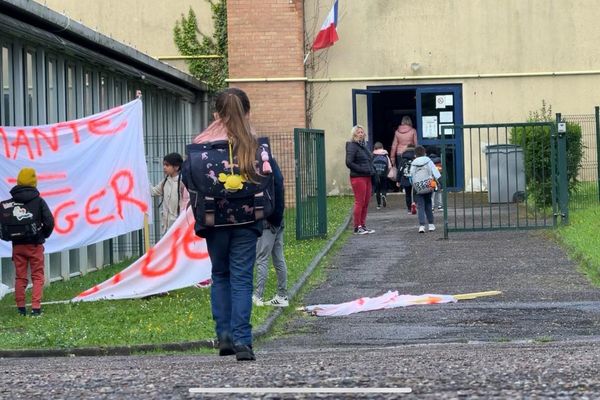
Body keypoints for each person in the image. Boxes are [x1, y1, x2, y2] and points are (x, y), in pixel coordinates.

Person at [189, 87, 265, 362]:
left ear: (215, 114)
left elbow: (189, 179)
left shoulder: (201, 145)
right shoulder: (254, 143)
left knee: (220, 275)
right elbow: (273, 180)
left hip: (213, 220)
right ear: (247, 112)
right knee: (242, 279)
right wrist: (274, 217)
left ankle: (224, 336)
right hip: (247, 219)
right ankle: (243, 340)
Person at [3, 168, 54, 316]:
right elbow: (49, 221)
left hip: (17, 245)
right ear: (34, 182)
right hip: (35, 244)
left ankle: (20, 308)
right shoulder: (38, 201)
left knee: (20, 276)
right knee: (37, 275)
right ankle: (36, 308)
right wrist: (43, 234)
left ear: (18, 181)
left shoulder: (11, 202)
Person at [252, 158, 288, 308]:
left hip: (268, 221)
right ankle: (282, 295)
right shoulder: (273, 165)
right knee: (278, 257)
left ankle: (258, 295)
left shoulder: (261, 170)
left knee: (262, 257)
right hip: (278, 218)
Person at [345, 125, 376, 235]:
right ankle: (357, 227)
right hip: (358, 177)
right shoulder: (352, 146)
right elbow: (349, 162)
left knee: (366, 202)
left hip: (367, 176)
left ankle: (363, 225)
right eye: (358, 132)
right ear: (354, 134)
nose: (361, 134)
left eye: (362, 132)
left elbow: (369, 159)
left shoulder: (364, 146)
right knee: (360, 202)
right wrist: (362, 169)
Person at [151, 152, 189, 236]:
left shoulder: (183, 182)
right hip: (166, 226)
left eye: (167, 165)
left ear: (176, 167)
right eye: (164, 165)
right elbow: (153, 191)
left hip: (179, 224)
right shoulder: (165, 181)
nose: (164, 167)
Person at [409, 146, 441, 233]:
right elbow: (435, 172)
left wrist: (414, 184)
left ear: (415, 154)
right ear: (424, 152)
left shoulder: (413, 163)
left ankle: (421, 226)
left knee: (421, 206)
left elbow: (411, 175)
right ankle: (431, 225)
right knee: (429, 204)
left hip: (418, 187)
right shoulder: (428, 161)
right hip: (428, 185)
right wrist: (438, 182)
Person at [372, 142, 392, 209]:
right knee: (383, 187)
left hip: (376, 174)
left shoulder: (373, 155)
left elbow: (370, 166)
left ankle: (378, 205)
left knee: (377, 189)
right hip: (384, 173)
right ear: (382, 147)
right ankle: (383, 195)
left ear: (375, 148)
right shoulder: (385, 155)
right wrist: (387, 173)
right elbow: (389, 166)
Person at [397, 145, 416, 214]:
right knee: (415, 193)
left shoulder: (403, 159)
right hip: (415, 179)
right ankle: (415, 205)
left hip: (405, 179)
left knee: (407, 194)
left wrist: (398, 180)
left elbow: (400, 170)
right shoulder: (416, 158)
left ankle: (409, 209)